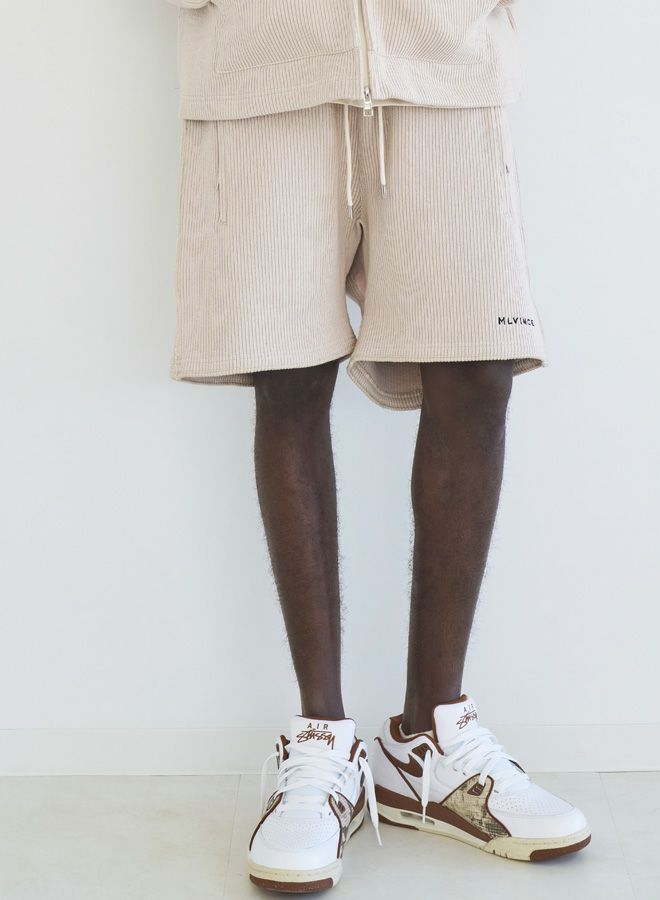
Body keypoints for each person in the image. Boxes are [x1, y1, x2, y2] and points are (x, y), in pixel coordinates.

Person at [166, 0, 590, 891]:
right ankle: (322, 746)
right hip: (267, 71)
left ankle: (430, 743)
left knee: (479, 368)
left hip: (443, 64)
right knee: (287, 378)